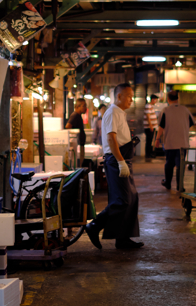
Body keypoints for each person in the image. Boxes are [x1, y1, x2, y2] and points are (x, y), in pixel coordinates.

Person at [84, 84, 144, 250]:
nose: (132, 100)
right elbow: (111, 139)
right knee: (122, 200)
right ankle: (94, 226)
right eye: (129, 96)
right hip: (116, 161)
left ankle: (123, 238)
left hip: (123, 160)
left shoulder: (119, 113)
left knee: (131, 198)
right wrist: (120, 161)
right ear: (119, 96)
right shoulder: (111, 112)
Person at [154, 90, 194, 190]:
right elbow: (192, 123)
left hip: (170, 142)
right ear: (178, 98)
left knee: (169, 164)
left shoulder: (165, 110)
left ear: (168, 99)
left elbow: (161, 126)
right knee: (181, 165)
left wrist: (157, 139)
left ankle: (168, 183)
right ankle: (180, 186)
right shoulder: (185, 109)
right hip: (183, 143)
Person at [65, 98, 87, 166]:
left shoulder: (79, 116)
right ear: (77, 106)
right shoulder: (75, 115)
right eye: (84, 106)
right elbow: (68, 126)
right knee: (78, 164)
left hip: (80, 144)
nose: (85, 108)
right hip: (77, 145)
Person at [144, 94, 160, 161]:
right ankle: (148, 154)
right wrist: (151, 125)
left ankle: (150, 153)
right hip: (149, 127)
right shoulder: (148, 106)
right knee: (149, 140)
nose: (156, 101)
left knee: (151, 141)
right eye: (156, 100)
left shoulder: (151, 106)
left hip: (152, 127)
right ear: (153, 99)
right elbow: (148, 116)